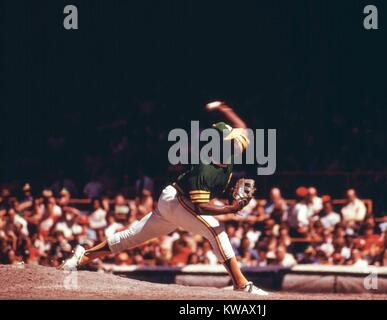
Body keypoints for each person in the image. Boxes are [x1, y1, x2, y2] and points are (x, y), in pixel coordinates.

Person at [61, 101, 268, 295]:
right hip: (177, 201)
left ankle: (83, 256)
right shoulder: (205, 167)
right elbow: (199, 207)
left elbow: (241, 126)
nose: (235, 145)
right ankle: (241, 284)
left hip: (175, 201)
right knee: (216, 230)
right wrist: (230, 208)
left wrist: (222, 107)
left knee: (132, 236)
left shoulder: (230, 150)